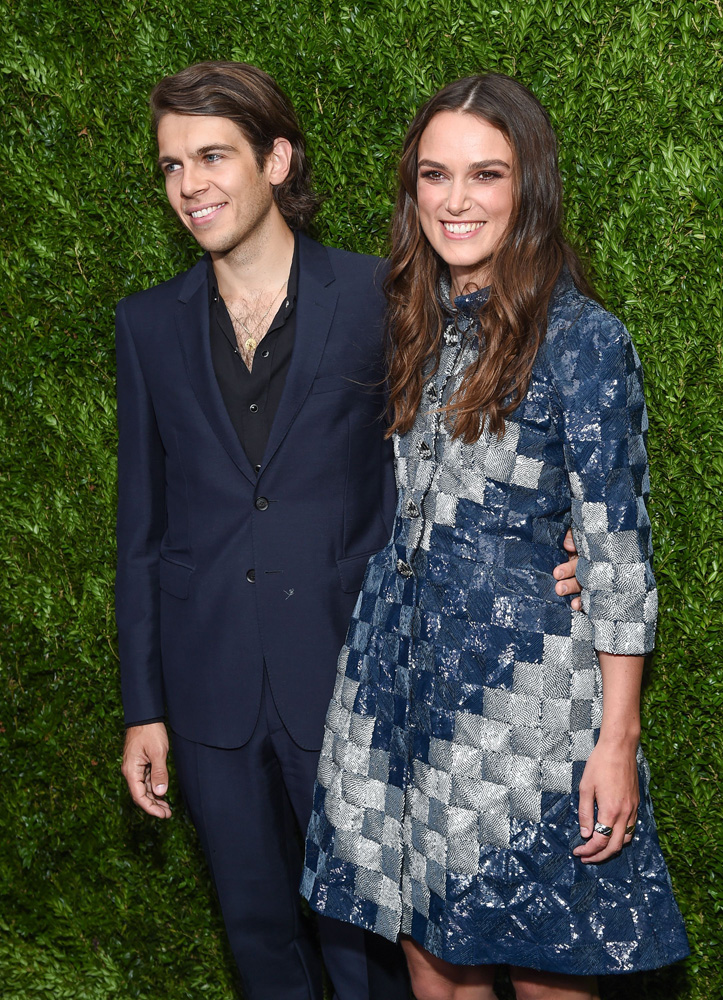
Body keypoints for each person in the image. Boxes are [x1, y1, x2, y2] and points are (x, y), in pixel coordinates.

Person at [115, 62, 582, 999]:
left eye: (212, 156)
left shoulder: (385, 296)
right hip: (207, 691)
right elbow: (142, 524)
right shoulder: (146, 325)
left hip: (358, 682)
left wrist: (551, 542)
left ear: (276, 159)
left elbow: (477, 435)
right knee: (257, 939)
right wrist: (143, 703)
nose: (190, 185)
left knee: (370, 949)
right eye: (171, 166)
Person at [302, 73, 690, 1000]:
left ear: (529, 189)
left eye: (485, 174)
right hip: (401, 683)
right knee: (431, 952)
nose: (456, 200)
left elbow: (618, 556)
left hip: (529, 702)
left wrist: (615, 740)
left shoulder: (584, 341)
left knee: (548, 960)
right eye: (435, 176)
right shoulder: (412, 322)